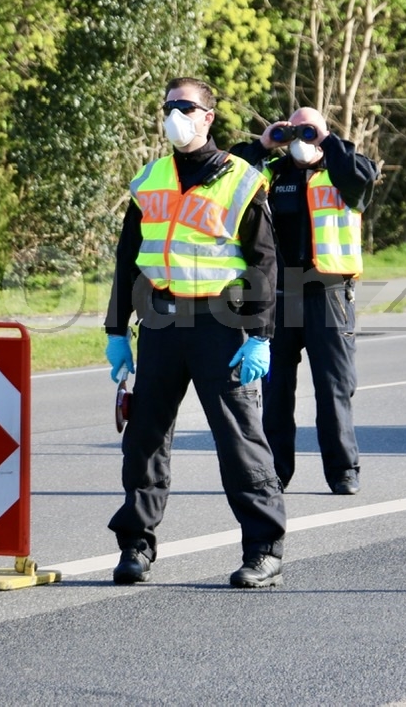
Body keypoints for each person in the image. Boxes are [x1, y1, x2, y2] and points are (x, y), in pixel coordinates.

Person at [103, 77, 287, 589]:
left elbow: (266, 263)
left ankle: (264, 550)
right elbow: (127, 261)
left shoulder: (241, 179)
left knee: (239, 438)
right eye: (167, 107)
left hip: (221, 324)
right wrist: (117, 329)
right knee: (144, 437)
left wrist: (260, 334)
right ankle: (136, 545)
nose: (173, 115)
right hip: (160, 318)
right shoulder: (151, 179)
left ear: (209, 116)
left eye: (185, 106)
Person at [232, 107, 378, 495]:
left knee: (334, 388)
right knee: (276, 391)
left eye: (308, 131)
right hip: (278, 296)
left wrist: (325, 139)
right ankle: (275, 472)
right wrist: (264, 144)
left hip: (328, 294)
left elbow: (361, 176)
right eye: (295, 132)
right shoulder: (274, 173)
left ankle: (343, 471)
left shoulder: (343, 170)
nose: (301, 139)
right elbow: (229, 176)